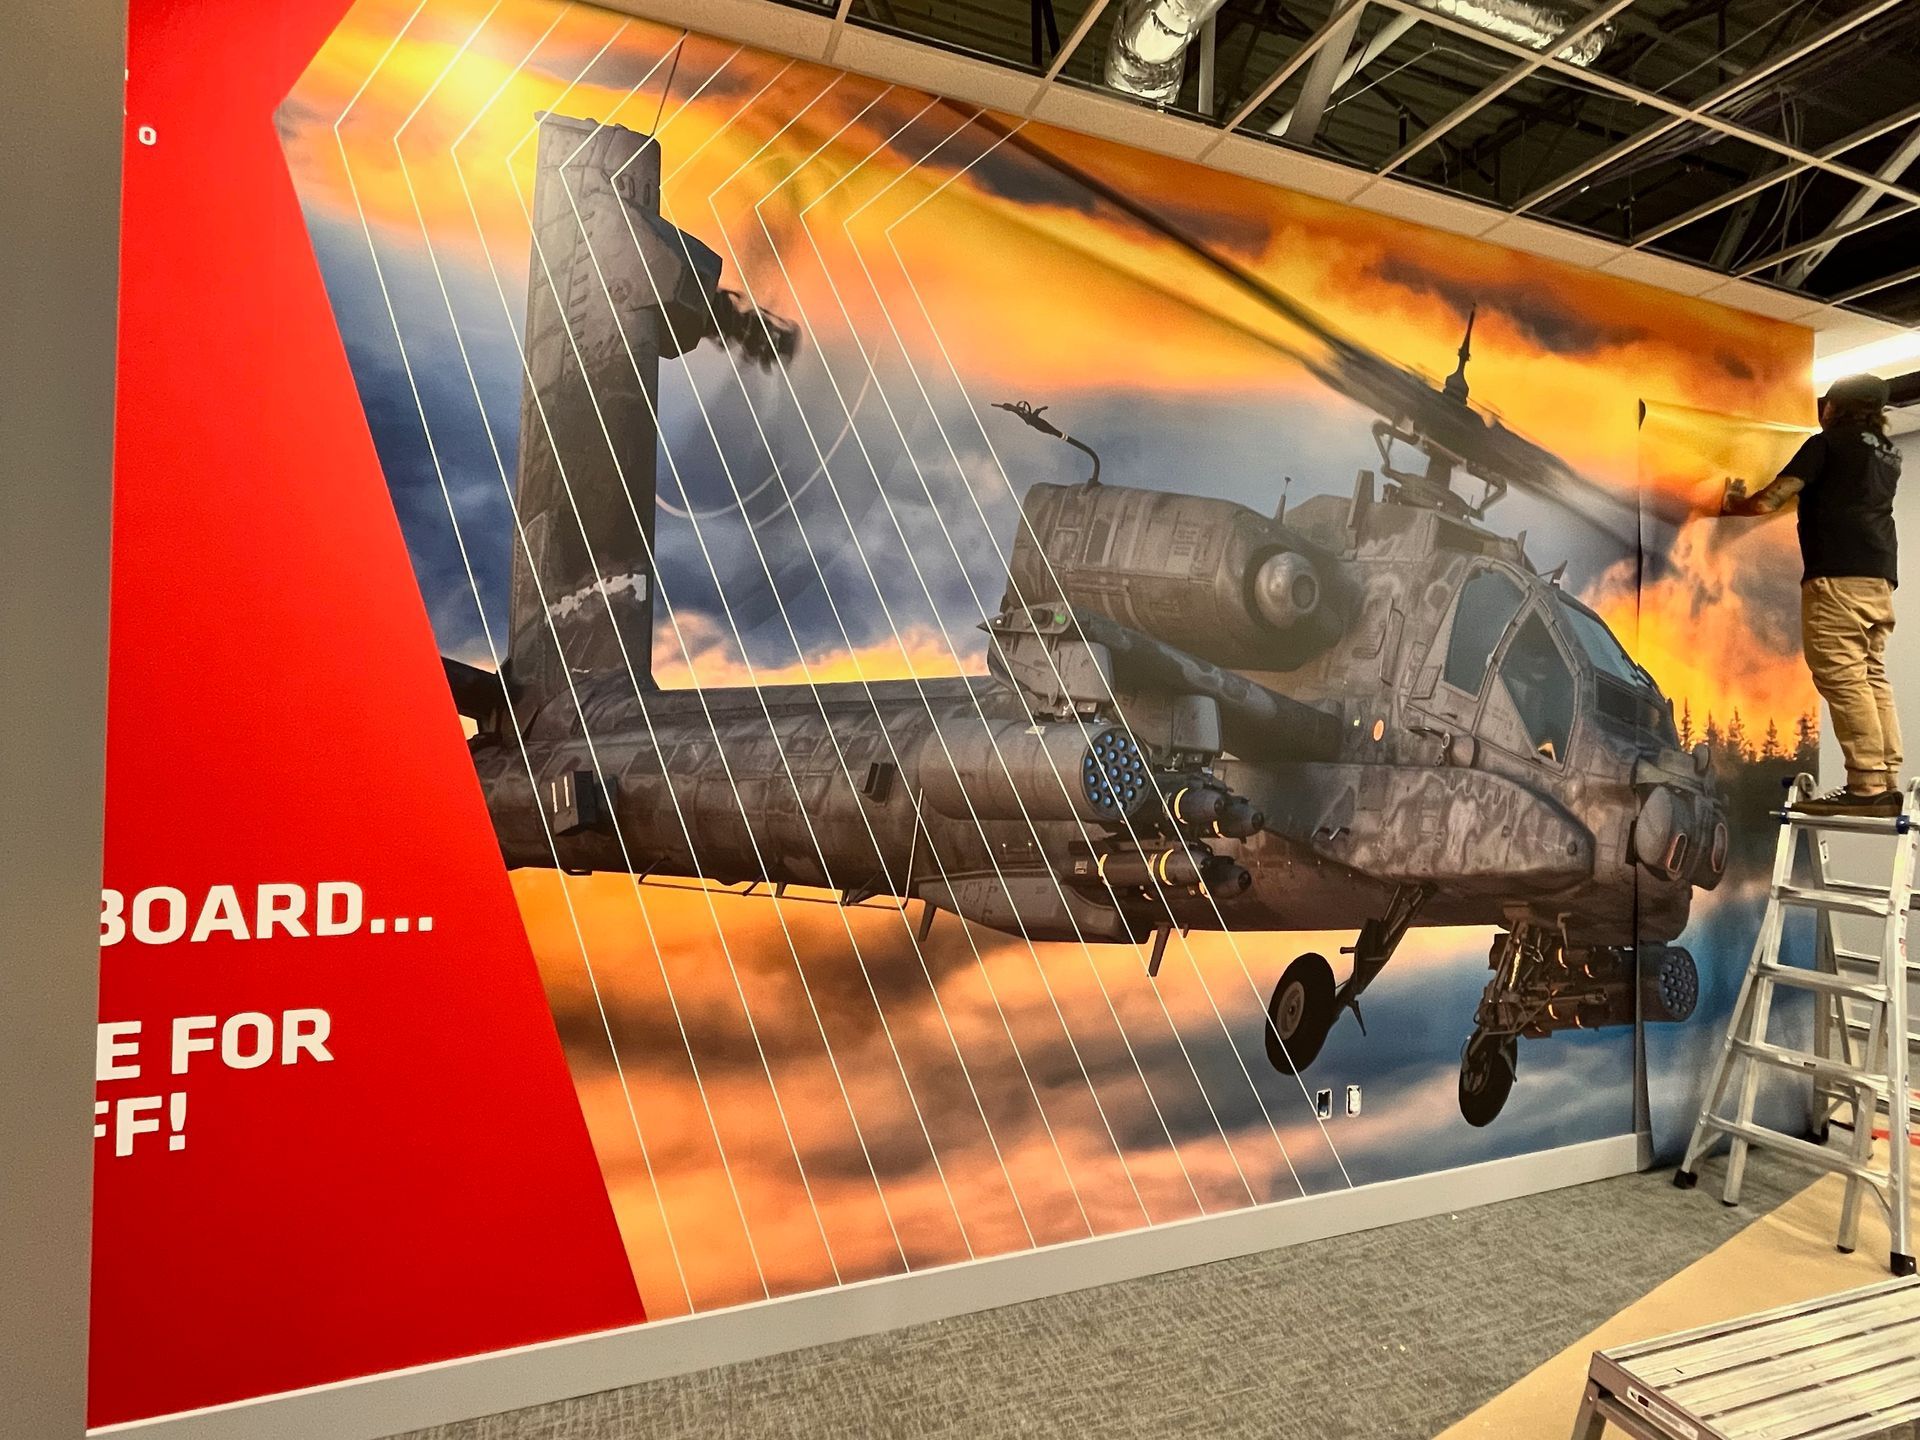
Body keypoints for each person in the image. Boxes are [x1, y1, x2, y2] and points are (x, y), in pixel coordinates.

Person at [1724, 373, 1903, 815]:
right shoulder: (1887, 453)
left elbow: (1772, 499)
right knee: (1870, 675)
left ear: (1834, 407)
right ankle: (1885, 778)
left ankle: (1865, 786)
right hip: (1878, 576)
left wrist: (1734, 504)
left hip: (1837, 575)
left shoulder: (1829, 443)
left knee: (1841, 676)